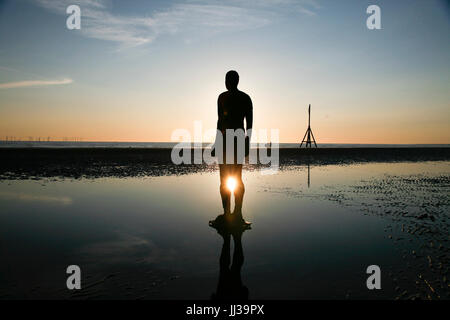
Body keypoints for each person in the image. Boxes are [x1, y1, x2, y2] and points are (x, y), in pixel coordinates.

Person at [215, 70, 253, 224]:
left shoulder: (245, 98)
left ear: (236, 81)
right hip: (224, 141)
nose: (227, 82)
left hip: (236, 140)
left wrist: (247, 143)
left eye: (229, 79)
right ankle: (227, 214)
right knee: (225, 179)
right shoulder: (221, 97)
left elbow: (249, 123)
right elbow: (219, 121)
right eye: (226, 79)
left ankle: (237, 213)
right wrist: (217, 142)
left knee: (236, 178)